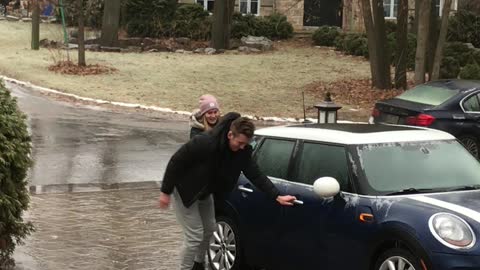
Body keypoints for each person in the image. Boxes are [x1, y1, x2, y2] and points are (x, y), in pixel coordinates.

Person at [159, 112, 296, 270]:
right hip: (185, 191)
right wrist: (165, 191)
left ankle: (198, 263)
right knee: (195, 236)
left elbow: (256, 174)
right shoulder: (205, 143)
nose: (242, 147)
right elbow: (176, 161)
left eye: (245, 144)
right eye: (240, 143)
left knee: (210, 229)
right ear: (230, 134)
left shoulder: (242, 153)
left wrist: (276, 195)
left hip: (205, 193)